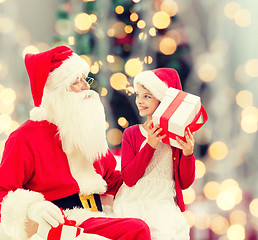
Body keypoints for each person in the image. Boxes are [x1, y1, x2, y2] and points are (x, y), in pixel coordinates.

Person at [0, 45, 151, 240]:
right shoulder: (24, 137)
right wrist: (33, 207)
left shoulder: (86, 129)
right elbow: (3, 191)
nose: (86, 87)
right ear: (55, 90)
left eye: (84, 79)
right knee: (136, 229)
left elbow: (111, 178)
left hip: (98, 215)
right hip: (63, 222)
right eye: (75, 82)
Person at [113, 68, 196, 240]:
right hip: (134, 199)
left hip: (164, 201)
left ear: (163, 101)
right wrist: (150, 145)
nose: (139, 101)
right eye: (138, 95)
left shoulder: (177, 138)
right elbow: (129, 178)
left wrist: (188, 154)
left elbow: (185, 182)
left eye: (147, 96)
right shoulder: (132, 133)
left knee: (170, 232)